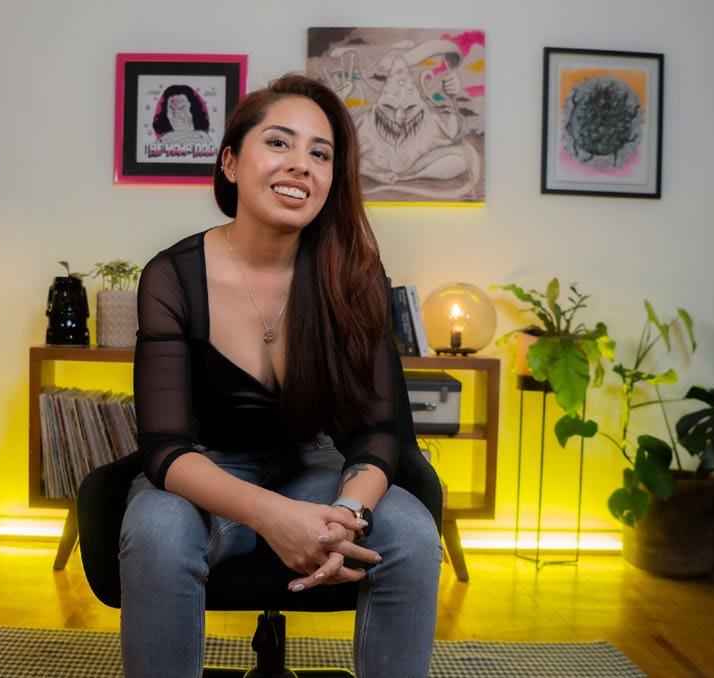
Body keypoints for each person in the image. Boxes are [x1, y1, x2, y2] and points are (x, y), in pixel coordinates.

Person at [120, 73, 441, 677]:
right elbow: (164, 447)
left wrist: (347, 514)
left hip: (317, 471)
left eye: (320, 154)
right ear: (230, 163)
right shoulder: (172, 276)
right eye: (278, 143)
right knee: (156, 527)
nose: (300, 165)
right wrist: (272, 515)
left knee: (412, 530)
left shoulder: (355, 276)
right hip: (208, 477)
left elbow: (379, 431)